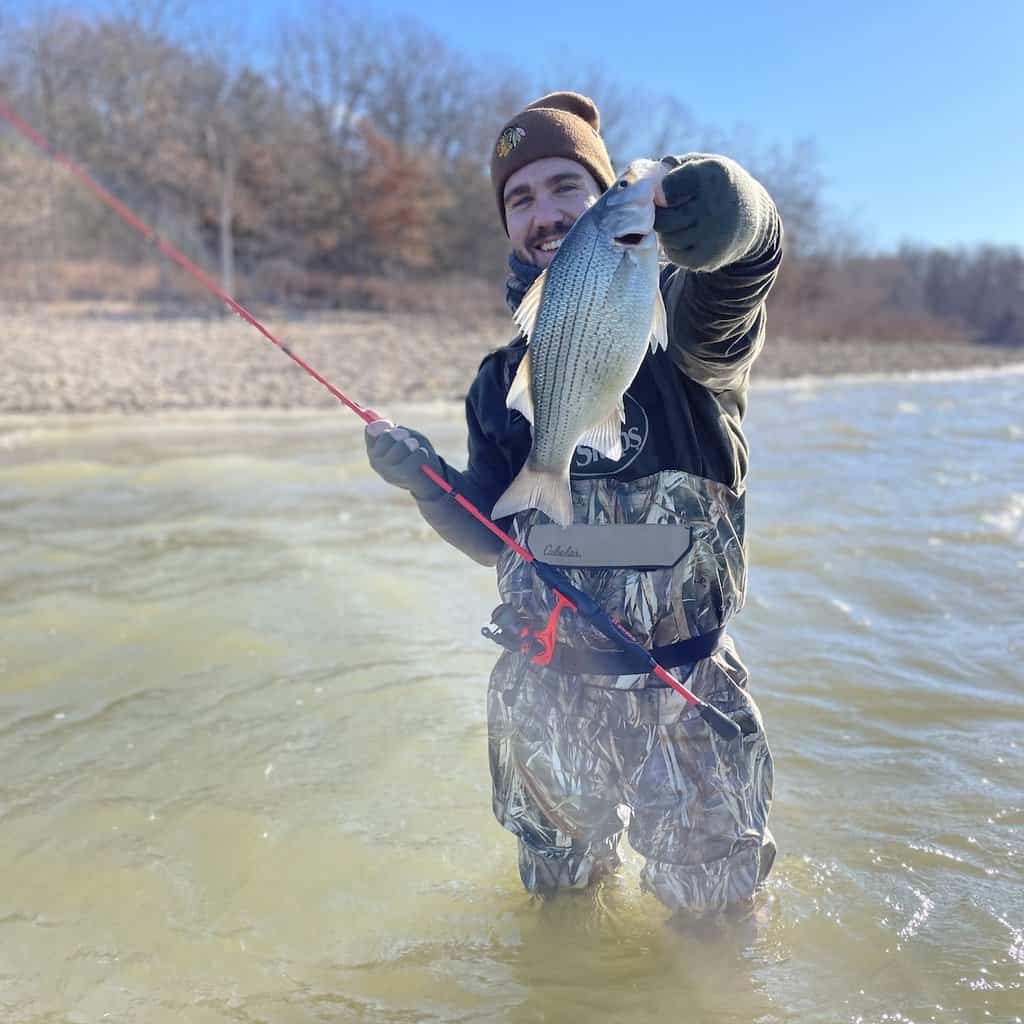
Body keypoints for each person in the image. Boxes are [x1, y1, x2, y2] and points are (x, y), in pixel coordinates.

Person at [365, 91, 782, 919]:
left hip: (685, 688)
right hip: (546, 691)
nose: (544, 212)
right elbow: (494, 534)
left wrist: (736, 208)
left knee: (717, 916)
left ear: (605, 200)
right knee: (557, 907)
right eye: (519, 199)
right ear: (508, 226)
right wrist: (426, 481)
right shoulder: (501, 380)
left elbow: (743, 271)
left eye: (566, 187)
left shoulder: (683, 336)